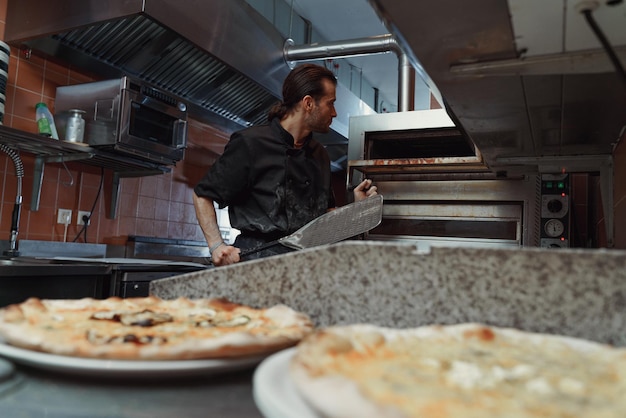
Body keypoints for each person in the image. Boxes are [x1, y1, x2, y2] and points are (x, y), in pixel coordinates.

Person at [193, 63, 377, 266]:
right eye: (330, 103)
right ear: (308, 103)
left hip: (307, 265)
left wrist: (355, 209)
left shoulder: (320, 155)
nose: (334, 113)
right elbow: (203, 195)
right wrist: (216, 245)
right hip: (256, 264)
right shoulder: (251, 144)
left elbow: (324, 215)